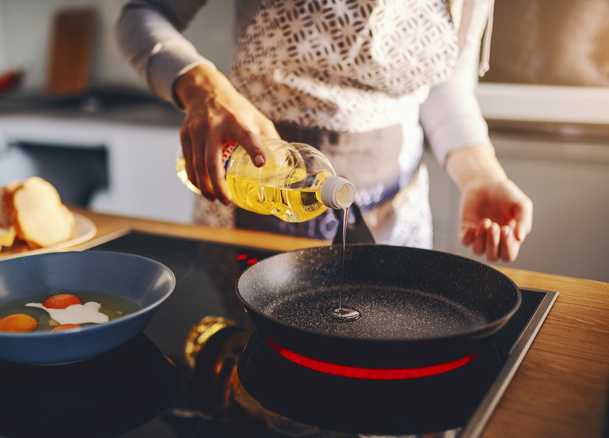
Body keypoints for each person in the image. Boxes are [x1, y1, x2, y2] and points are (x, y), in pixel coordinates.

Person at [116, 0, 532, 262]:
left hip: (394, 215)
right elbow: (142, 13)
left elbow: (443, 80)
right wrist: (201, 86)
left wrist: (481, 174)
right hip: (247, 196)